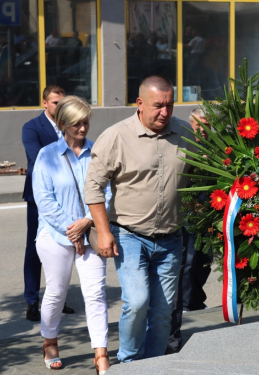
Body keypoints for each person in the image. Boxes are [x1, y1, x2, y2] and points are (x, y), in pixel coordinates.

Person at [84, 75, 196, 362]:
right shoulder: (117, 136)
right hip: (130, 236)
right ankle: (130, 362)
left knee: (163, 310)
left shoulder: (185, 133)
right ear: (140, 103)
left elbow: (201, 175)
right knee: (137, 302)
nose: (165, 112)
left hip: (171, 238)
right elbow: (93, 187)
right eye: (158, 105)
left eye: (170, 105)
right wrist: (103, 231)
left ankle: (155, 363)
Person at [33, 96, 111, 373]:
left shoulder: (97, 153)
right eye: (77, 123)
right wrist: (73, 231)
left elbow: (108, 193)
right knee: (56, 292)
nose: (83, 128)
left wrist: (88, 223)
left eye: (86, 122)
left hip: (90, 234)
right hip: (54, 236)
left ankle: (101, 354)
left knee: (96, 294)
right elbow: (44, 201)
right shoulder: (47, 156)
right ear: (63, 124)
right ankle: (50, 341)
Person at [21, 85, 75, 321]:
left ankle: (58, 298)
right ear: (44, 103)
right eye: (55, 103)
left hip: (68, 196)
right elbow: (40, 159)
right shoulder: (32, 127)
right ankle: (32, 301)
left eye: (63, 102)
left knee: (65, 247)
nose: (60, 107)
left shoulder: (72, 125)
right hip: (39, 196)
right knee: (35, 248)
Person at [168, 107, 213, 354]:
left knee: (205, 258)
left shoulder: (213, 146)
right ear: (190, 124)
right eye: (199, 126)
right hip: (187, 210)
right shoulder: (183, 144)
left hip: (209, 209)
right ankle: (187, 302)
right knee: (189, 257)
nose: (203, 131)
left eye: (207, 126)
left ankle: (196, 298)